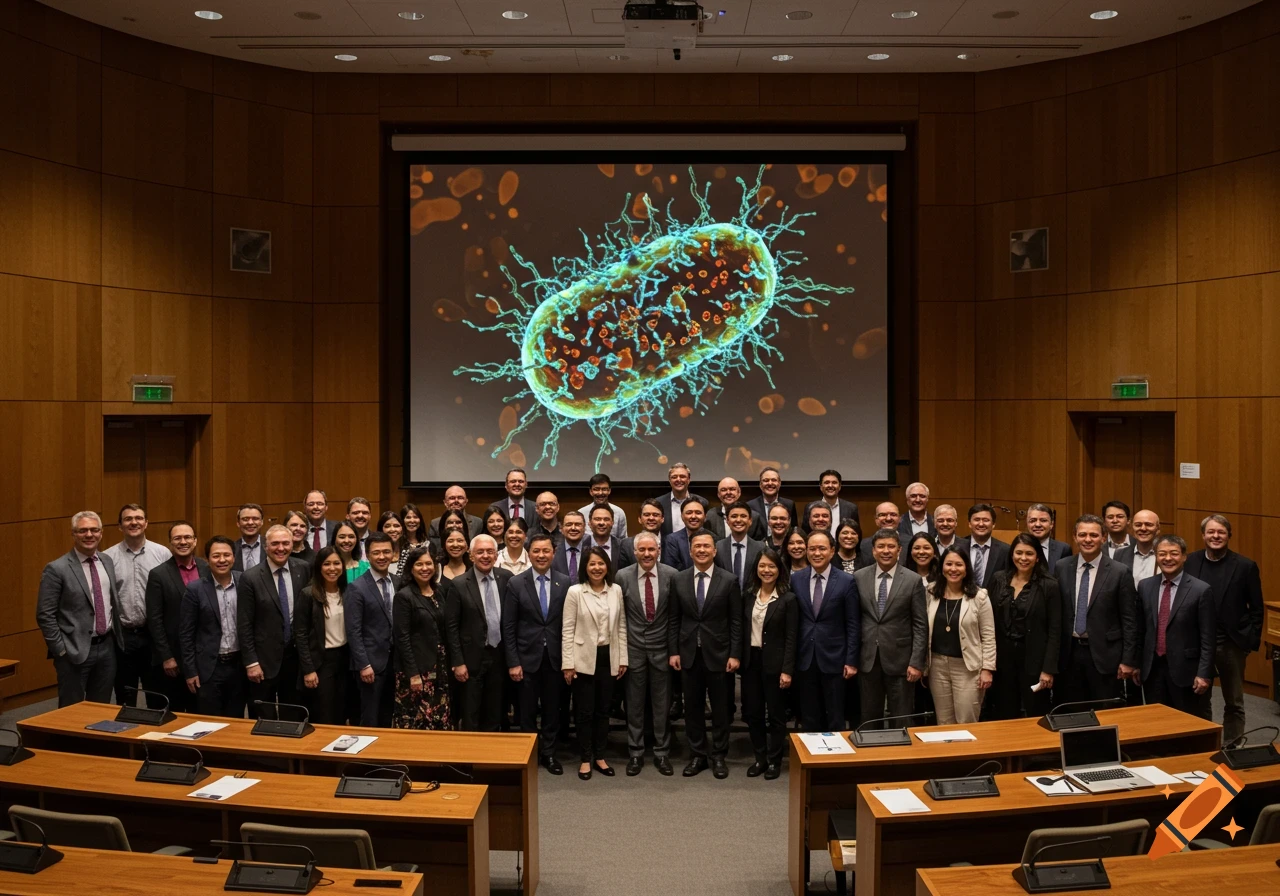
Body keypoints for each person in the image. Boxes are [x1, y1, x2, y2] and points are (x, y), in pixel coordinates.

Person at [1184, 514, 1263, 744]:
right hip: (1198, 642)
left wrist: (1248, 642)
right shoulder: (1190, 561)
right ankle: (1206, 742)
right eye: (1211, 532)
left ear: (1229, 535)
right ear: (1203, 535)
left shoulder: (1245, 566)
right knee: (1200, 698)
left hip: (1231, 644)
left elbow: (1257, 608)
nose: (1215, 536)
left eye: (1220, 532)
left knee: (1234, 701)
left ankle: (1232, 746)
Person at [669, 531, 742, 779]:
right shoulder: (678, 579)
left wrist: (735, 653)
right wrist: (673, 651)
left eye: (706, 546)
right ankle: (698, 754)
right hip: (689, 654)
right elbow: (674, 619)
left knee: (721, 709)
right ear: (690, 551)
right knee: (693, 708)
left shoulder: (729, 580)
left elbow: (735, 621)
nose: (701, 550)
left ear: (715, 551)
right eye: (697, 546)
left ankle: (719, 755)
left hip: (720, 655)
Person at [502, 533, 572, 773]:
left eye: (546, 551)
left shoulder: (565, 582)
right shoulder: (516, 583)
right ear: (528, 553)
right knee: (527, 711)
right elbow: (509, 626)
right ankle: (529, 755)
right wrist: (513, 661)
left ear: (553, 553)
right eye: (536, 551)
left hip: (555, 658)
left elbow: (569, 624)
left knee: (553, 710)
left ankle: (549, 754)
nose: (541, 555)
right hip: (525, 659)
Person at [38, 511, 124, 706]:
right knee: (71, 710)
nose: (89, 535)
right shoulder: (57, 568)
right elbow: (45, 614)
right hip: (73, 651)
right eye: (82, 530)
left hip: (107, 649)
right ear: (73, 534)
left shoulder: (106, 561)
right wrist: (60, 650)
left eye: (94, 530)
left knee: (101, 708)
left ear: (101, 533)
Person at [1054, 514, 1139, 704]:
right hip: (1069, 654)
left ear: (1103, 537)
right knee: (1071, 711)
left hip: (1105, 655)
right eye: (1082, 535)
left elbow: (1129, 620)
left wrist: (1128, 660)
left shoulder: (1120, 571)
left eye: (1093, 535)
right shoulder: (1061, 567)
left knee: (1104, 713)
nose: (1087, 540)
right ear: (1075, 537)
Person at [562, 547, 627, 779]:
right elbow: (567, 629)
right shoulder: (575, 592)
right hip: (582, 660)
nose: (597, 568)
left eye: (601, 563)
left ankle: (600, 756)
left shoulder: (616, 591)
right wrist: (567, 663)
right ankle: (585, 758)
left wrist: (623, 658)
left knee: (603, 711)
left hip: (608, 657)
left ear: (607, 566)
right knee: (584, 711)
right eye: (592, 564)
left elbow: (621, 626)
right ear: (585, 568)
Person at [617, 531, 677, 776]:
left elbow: (674, 616)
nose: (647, 554)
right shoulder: (622, 576)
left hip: (662, 649)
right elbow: (618, 616)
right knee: (634, 704)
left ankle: (662, 753)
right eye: (641, 550)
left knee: (662, 705)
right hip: (633, 649)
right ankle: (635, 753)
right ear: (634, 552)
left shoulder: (672, 576)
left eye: (651, 549)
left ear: (659, 551)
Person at [1136, 535, 1215, 720]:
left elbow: (1208, 638)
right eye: (1162, 554)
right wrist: (1137, 664)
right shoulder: (1145, 586)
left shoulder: (1201, 590)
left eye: (1174, 553)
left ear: (1184, 556)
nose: (1168, 558)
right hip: (1152, 668)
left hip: (1186, 670)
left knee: (1185, 721)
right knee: (1155, 719)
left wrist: (1204, 674)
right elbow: (1141, 630)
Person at [854, 529, 928, 723]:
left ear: (899, 550)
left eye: (890, 546)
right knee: (869, 718)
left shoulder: (913, 580)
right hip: (868, 659)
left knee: (902, 717)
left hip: (901, 661)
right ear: (873, 551)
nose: (885, 551)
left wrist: (916, 662)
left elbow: (920, 625)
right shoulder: (859, 577)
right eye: (881, 546)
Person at [103, 504, 172, 708]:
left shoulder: (162, 554)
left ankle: (154, 738)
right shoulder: (107, 557)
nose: (134, 522)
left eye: (139, 518)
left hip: (154, 635)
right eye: (128, 519)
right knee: (125, 692)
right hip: (123, 636)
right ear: (120, 526)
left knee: (157, 692)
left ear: (146, 523)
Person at [791, 530, 860, 731]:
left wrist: (851, 660)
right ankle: (813, 760)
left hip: (835, 659)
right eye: (812, 549)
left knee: (835, 716)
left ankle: (834, 761)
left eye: (822, 548)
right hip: (805, 658)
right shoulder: (796, 580)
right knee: (809, 716)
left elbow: (853, 624)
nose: (816, 553)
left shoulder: (847, 581)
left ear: (832, 551)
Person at [237, 524, 311, 710]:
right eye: (275, 543)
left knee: (294, 715)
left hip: (295, 660)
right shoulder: (250, 577)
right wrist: (251, 662)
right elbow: (244, 624)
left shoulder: (303, 569)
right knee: (263, 718)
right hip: (263, 662)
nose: (281, 548)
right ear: (266, 546)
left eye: (286, 543)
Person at [445, 534, 514, 731]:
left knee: (495, 711)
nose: (485, 556)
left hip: (499, 657)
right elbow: (451, 627)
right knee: (471, 713)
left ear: (496, 555)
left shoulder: (506, 578)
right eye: (480, 552)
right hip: (471, 659)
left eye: (490, 551)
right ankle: (468, 759)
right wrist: (458, 662)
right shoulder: (459, 584)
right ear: (471, 555)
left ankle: (490, 757)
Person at [989, 533, 1060, 719]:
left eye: (1029, 553)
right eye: (1018, 552)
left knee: (1036, 712)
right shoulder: (998, 579)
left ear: (1037, 557)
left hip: (1034, 661)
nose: (1023, 558)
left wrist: (1048, 669)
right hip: (1002, 660)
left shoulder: (1049, 585)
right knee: (1004, 711)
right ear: (1012, 555)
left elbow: (1055, 630)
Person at [740, 548, 797, 779]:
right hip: (751, 662)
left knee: (775, 715)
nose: (767, 570)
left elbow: (792, 637)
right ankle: (760, 758)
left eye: (772, 566)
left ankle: (774, 761)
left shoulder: (788, 598)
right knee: (753, 713)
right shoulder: (748, 595)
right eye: (762, 566)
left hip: (775, 664)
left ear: (779, 570)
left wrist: (787, 670)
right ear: (756, 569)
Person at [924, 548, 995, 724]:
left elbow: (988, 636)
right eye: (948, 564)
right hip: (937, 666)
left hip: (968, 668)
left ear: (966, 569)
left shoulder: (979, 596)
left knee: (967, 721)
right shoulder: (930, 592)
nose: (953, 569)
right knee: (944, 722)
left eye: (958, 564)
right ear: (941, 568)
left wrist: (987, 669)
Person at [144, 521, 207, 713]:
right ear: (170, 543)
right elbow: (154, 619)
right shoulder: (159, 575)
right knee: (177, 710)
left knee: (202, 709)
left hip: (203, 654)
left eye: (187, 537)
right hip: (174, 657)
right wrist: (167, 657)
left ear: (195, 541)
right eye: (177, 538)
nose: (183, 542)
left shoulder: (207, 568)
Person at [180, 536, 246, 717]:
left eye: (227, 555)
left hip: (239, 665)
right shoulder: (195, 589)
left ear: (234, 557)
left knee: (237, 720)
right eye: (216, 556)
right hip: (209, 667)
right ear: (207, 559)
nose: (222, 560)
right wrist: (190, 671)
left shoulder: (245, 582)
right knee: (210, 721)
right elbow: (186, 634)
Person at [392, 544, 454, 730]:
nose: (425, 568)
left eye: (429, 564)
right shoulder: (404, 596)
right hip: (417, 670)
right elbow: (402, 637)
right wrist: (413, 675)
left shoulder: (439, 591)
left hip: (440, 667)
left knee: (439, 718)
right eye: (419, 564)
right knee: (416, 720)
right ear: (411, 568)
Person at [295, 545, 355, 726]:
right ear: (319, 567)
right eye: (327, 564)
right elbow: (300, 634)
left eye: (337, 563)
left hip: (344, 659)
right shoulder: (308, 594)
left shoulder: (348, 592)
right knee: (324, 714)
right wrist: (308, 669)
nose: (332, 568)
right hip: (321, 662)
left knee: (343, 710)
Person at [346, 533, 400, 728]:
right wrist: (363, 665)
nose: (382, 556)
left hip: (395, 662)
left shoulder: (398, 582)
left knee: (388, 714)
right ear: (367, 556)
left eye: (387, 551)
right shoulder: (357, 588)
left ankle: (385, 756)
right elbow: (353, 631)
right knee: (370, 717)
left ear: (394, 554)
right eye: (376, 553)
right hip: (370, 665)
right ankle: (368, 758)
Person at [715, 501, 764, 590]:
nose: (738, 520)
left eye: (743, 516)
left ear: (750, 521)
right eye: (734, 516)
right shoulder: (718, 548)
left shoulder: (760, 548)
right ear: (727, 521)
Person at [960, 504, 1010, 591]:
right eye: (977, 520)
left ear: (993, 524)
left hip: (992, 602)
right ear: (969, 523)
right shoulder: (958, 547)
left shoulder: (1005, 550)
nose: (981, 524)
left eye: (986, 520)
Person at [654, 462, 707, 539]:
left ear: (689, 480)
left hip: (694, 547)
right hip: (668, 549)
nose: (678, 479)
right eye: (674, 477)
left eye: (682, 476)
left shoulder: (702, 502)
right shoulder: (659, 503)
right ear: (669, 480)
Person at [1114, 509, 1160, 586]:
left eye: (1149, 524)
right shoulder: (1119, 554)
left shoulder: (1165, 555)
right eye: (1138, 525)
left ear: (1158, 529)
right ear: (1132, 528)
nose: (1143, 529)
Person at [663, 499, 711, 572]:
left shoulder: (715, 539)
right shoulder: (672, 540)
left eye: (698, 513)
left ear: (705, 516)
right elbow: (671, 570)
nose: (693, 516)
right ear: (682, 516)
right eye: (689, 513)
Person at [578, 473, 628, 539]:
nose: (600, 493)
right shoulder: (581, 513)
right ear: (591, 491)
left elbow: (623, 540)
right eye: (596, 489)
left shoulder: (619, 512)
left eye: (604, 489)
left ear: (609, 491)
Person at [585, 504, 635, 570]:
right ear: (589, 523)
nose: (602, 523)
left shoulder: (623, 547)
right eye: (597, 519)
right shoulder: (582, 546)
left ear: (612, 523)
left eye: (606, 519)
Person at [1026, 504, 1071, 569]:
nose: (1038, 524)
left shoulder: (1063, 549)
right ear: (1027, 523)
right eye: (1033, 520)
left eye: (1043, 520)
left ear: (1051, 524)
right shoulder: (1018, 548)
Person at [552, 510, 587, 579]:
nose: (573, 528)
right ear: (561, 528)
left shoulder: (592, 550)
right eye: (569, 525)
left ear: (584, 527)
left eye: (578, 524)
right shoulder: (553, 551)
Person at [629, 500, 667, 565]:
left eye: (655, 515)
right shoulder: (627, 545)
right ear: (639, 519)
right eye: (646, 515)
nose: (651, 518)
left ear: (662, 519)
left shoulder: (671, 543)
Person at [232, 503, 265, 571]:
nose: (250, 523)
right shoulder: (232, 549)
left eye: (255, 519)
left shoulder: (271, 547)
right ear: (238, 523)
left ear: (262, 522)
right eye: (245, 519)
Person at [376, 510, 406, 576]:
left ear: (402, 530)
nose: (392, 530)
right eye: (387, 526)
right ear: (381, 530)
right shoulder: (376, 554)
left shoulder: (408, 552)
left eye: (396, 526)